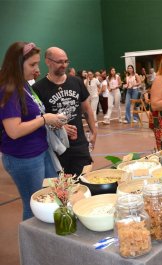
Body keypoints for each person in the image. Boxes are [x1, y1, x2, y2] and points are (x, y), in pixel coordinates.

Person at [0, 42, 65, 220]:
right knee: (35, 207)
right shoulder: (9, 89)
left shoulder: (24, 85)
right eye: (32, 65)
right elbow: (14, 131)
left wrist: (51, 120)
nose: (36, 69)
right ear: (16, 65)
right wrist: (45, 119)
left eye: (37, 64)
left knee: (55, 196)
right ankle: (32, 246)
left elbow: (33, 115)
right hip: (24, 157)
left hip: (40, 151)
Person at [33, 47, 97, 176]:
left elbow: (87, 109)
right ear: (48, 61)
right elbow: (39, 120)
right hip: (57, 148)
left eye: (66, 61)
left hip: (79, 144)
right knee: (63, 186)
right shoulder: (38, 88)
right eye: (59, 62)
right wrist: (59, 128)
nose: (64, 65)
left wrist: (94, 131)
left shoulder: (76, 82)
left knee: (85, 179)